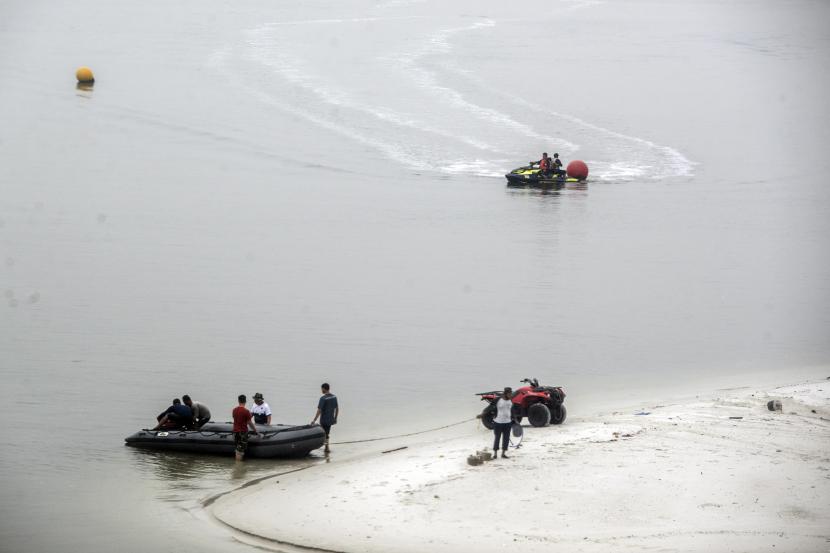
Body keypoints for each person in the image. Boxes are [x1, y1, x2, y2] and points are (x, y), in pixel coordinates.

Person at [311, 383, 339, 452]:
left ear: (324, 388)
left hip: (324, 420)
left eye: (321, 389)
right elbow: (337, 408)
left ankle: (326, 447)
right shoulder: (334, 397)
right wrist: (335, 418)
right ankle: (327, 447)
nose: (321, 390)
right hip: (330, 419)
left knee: (324, 434)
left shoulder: (323, 398)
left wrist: (314, 420)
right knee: (327, 433)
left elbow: (319, 410)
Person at [232, 394, 258, 461]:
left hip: (235, 432)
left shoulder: (234, 410)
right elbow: (249, 423)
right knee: (240, 451)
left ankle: (238, 466)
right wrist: (255, 430)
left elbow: (235, 419)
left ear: (238, 401)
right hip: (242, 432)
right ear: (245, 401)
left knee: (237, 449)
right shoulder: (246, 412)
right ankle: (238, 467)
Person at [493, 387, 514, 459]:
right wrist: (483, 414)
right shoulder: (498, 400)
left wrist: (515, 420)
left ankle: (503, 453)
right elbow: (490, 407)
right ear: (505, 393)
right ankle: (495, 454)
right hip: (498, 422)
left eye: (511, 393)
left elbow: (511, 410)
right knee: (497, 438)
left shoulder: (510, 400)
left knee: (506, 438)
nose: (511, 395)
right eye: (509, 393)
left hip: (508, 423)